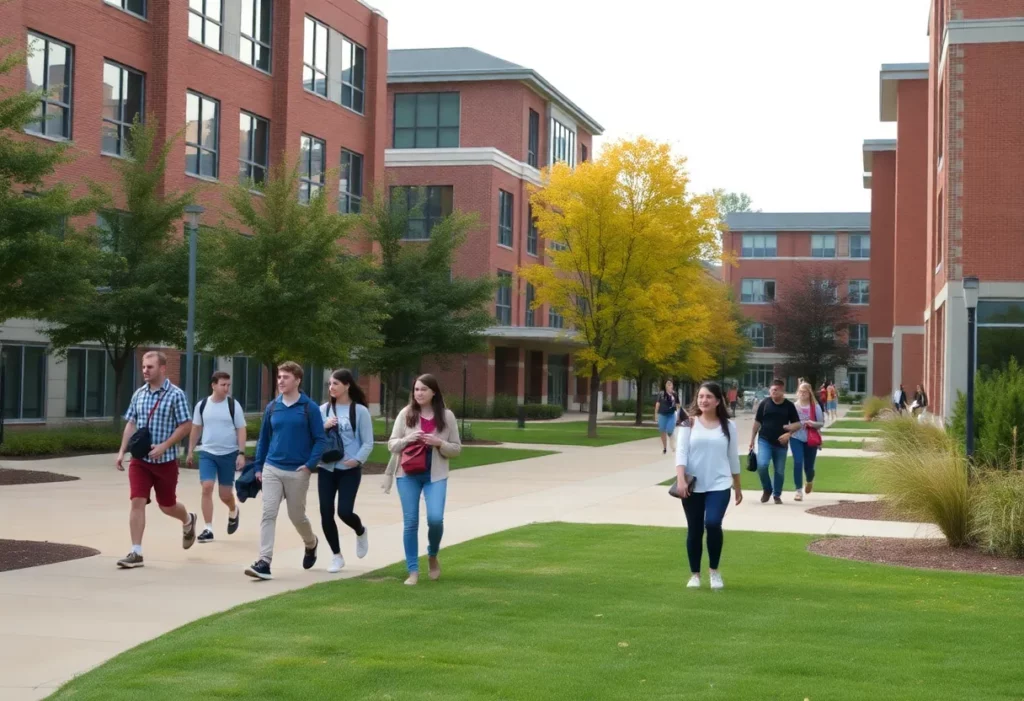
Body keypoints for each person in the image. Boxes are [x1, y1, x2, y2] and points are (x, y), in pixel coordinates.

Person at [244, 362, 327, 581]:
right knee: (268, 513)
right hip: (272, 467)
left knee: (296, 516)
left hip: (298, 471)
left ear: (297, 380)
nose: (280, 380)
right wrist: (258, 466)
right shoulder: (273, 407)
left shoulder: (309, 408)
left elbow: (320, 439)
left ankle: (311, 543)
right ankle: (264, 562)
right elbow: (264, 439)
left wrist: (309, 465)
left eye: (286, 377)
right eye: (279, 377)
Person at [114, 351, 197, 569]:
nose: (145, 370)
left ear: (162, 368)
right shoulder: (139, 394)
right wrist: (122, 451)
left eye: (150, 367)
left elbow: (186, 425)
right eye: (143, 366)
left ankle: (188, 519)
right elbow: (131, 423)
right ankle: (136, 552)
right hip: (140, 461)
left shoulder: (175, 395)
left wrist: (164, 446)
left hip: (166, 461)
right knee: (137, 501)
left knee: (167, 506)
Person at [383, 374, 462, 586]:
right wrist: (408, 439)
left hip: (435, 476)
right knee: (410, 523)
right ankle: (413, 571)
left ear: (433, 392)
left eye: (423, 389)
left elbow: (456, 449)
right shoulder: (406, 414)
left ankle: (432, 555)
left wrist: (439, 442)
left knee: (435, 519)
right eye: (416, 389)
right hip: (407, 475)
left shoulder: (447, 417)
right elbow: (391, 444)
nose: (419, 393)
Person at [674, 382, 742, 590]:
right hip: (693, 485)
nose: (704, 400)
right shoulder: (688, 424)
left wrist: (737, 487)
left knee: (712, 524)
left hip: (719, 484)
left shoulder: (728, 426)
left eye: (708, 397)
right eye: (701, 396)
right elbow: (681, 452)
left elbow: (733, 457)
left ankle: (714, 571)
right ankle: (695, 574)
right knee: (694, 529)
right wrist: (680, 480)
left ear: (718, 400)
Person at [318, 369, 373, 573]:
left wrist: (356, 460)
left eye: (335, 384)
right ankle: (336, 556)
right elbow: (313, 437)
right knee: (326, 512)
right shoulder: (322, 410)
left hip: (349, 469)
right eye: (330, 384)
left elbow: (368, 442)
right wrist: (323, 426)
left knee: (344, 511)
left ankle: (360, 530)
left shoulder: (359, 411)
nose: (331, 387)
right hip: (326, 468)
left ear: (347, 385)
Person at [186, 371, 245, 543]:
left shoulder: (234, 405)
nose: (226, 388)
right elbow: (196, 428)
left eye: (228, 385)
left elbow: (241, 430)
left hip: (229, 454)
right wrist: (190, 450)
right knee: (207, 487)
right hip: (207, 453)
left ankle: (233, 509)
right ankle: (208, 528)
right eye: (223, 385)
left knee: (225, 495)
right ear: (213, 385)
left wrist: (241, 453)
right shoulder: (202, 405)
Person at [749, 378, 802, 504]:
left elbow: (798, 424)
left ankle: (776, 494)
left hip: (781, 443)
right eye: (772, 390)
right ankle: (767, 489)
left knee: (779, 471)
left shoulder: (789, 406)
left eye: (777, 390)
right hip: (764, 440)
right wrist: (752, 439)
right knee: (762, 465)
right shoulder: (765, 403)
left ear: (782, 391)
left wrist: (789, 434)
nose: (774, 392)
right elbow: (757, 422)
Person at [789, 382, 824, 501]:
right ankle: (798, 491)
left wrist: (813, 424)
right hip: (796, 437)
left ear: (810, 393)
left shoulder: (815, 407)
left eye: (805, 391)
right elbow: (789, 423)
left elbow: (821, 423)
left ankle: (809, 481)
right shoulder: (793, 406)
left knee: (809, 468)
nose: (802, 394)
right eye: (800, 391)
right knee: (797, 462)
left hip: (810, 439)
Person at [655, 379, 680, 454]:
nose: (669, 385)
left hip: (671, 415)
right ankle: (665, 448)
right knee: (662, 430)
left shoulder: (674, 394)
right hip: (662, 414)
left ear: (672, 386)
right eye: (667, 384)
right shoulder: (661, 394)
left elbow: (678, 405)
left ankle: (673, 445)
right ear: (665, 386)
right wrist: (656, 414)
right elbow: (657, 404)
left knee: (669, 430)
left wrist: (679, 414)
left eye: (670, 384)